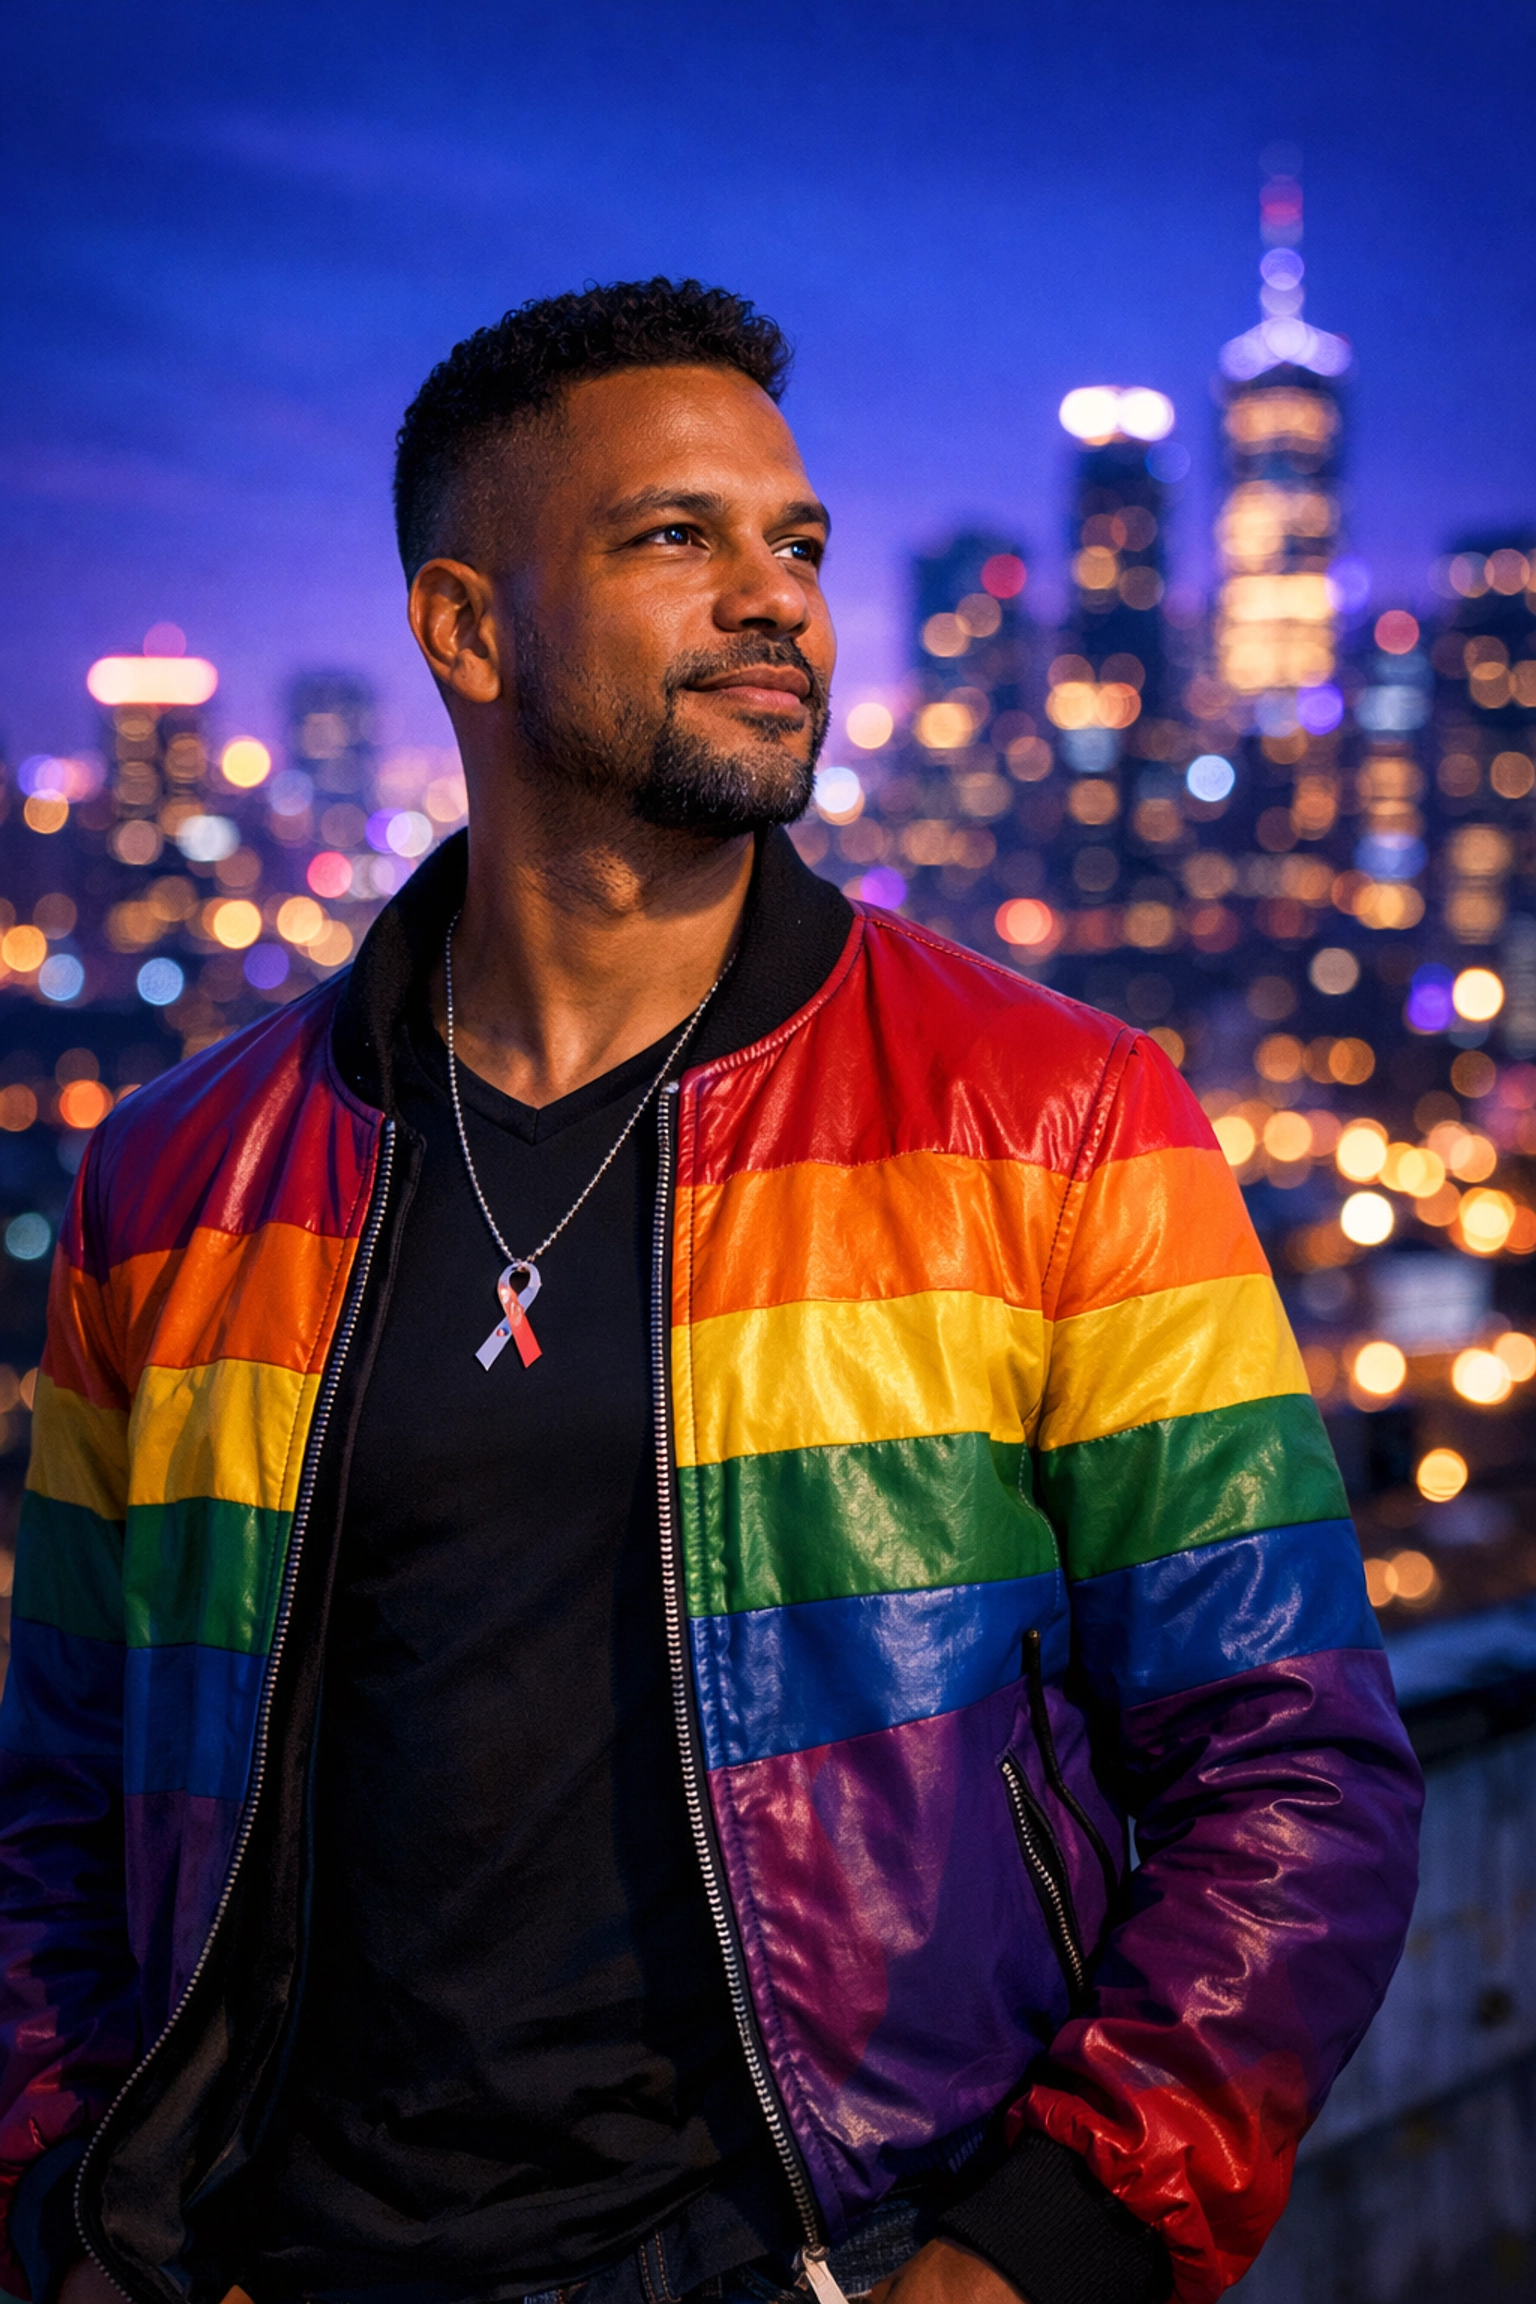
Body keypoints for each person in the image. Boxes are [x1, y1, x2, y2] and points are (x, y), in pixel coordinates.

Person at [0, 280, 1421, 2304]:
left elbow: (1293, 1767)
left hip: (838, 2250)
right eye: (679, 536)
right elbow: (56, 1796)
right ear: (467, 630)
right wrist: (80, 2229)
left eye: (801, 544)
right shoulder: (173, 1184)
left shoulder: (1058, 1118)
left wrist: (1041, 2252)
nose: (780, 601)